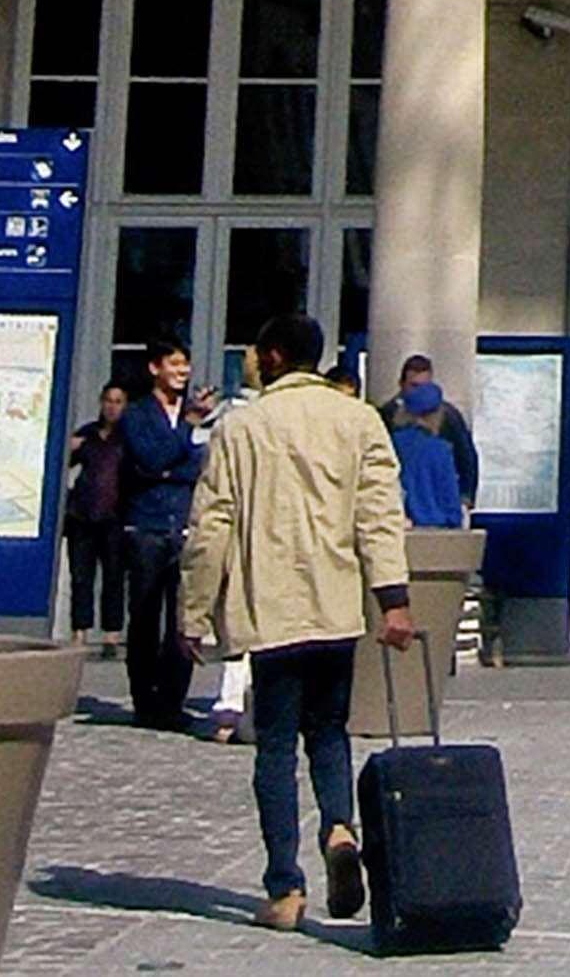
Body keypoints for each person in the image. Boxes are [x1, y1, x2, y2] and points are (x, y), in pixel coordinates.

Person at [179, 312, 413, 934]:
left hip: (269, 609)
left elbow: (212, 528)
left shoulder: (241, 426)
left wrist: (194, 614)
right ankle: (339, 825)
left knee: (276, 746)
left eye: (256, 352)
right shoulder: (358, 419)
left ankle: (285, 886)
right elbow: (381, 516)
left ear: (276, 356)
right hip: (336, 605)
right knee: (329, 731)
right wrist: (393, 599)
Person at [117, 338, 215, 729]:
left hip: (186, 524)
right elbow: (150, 458)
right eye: (174, 364)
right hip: (147, 526)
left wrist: (173, 460)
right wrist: (184, 432)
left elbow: (198, 466)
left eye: (185, 364)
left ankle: (173, 701)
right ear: (155, 368)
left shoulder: (200, 416)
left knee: (183, 618)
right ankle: (145, 700)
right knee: (143, 616)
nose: (182, 372)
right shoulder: (138, 413)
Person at [63, 382, 129, 659]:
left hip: (115, 517)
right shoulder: (88, 434)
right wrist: (69, 447)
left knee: (113, 577)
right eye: (108, 401)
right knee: (81, 577)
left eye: (118, 401)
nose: (112, 407)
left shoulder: (128, 437)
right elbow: (62, 461)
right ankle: (80, 631)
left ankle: (111, 634)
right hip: (83, 515)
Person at [381, 356, 478, 514]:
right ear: (401, 384)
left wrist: (466, 498)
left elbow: (466, 457)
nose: (420, 393)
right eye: (414, 386)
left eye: (425, 386)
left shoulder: (450, 417)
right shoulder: (387, 414)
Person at [393, 379, 468, 529]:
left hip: (401, 527)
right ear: (438, 414)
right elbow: (449, 497)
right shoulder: (440, 450)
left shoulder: (392, 443)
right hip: (437, 530)